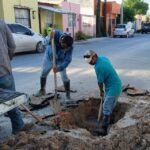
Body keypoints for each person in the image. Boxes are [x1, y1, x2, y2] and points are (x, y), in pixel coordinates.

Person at [0, 20, 32, 134]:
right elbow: (12, 46)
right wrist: (7, 59)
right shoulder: (1, 23)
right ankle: (18, 128)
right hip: (3, 71)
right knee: (12, 101)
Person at [83, 50, 122, 136]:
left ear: (95, 56)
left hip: (114, 87)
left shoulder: (98, 67)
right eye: (89, 63)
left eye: (91, 62)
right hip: (114, 85)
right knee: (109, 105)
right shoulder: (103, 58)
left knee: (106, 106)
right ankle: (109, 120)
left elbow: (100, 82)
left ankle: (103, 129)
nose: (91, 64)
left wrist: (101, 91)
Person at [36, 30, 74, 100]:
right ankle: (42, 90)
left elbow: (68, 60)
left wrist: (59, 68)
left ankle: (68, 95)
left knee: (64, 76)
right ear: (61, 41)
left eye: (67, 48)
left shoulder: (69, 46)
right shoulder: (55, 34)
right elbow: (44, 43)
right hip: (49, 57)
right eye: (64, 46)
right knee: (43, 73)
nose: (65, 49)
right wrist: (50, 38)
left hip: (60, 60)